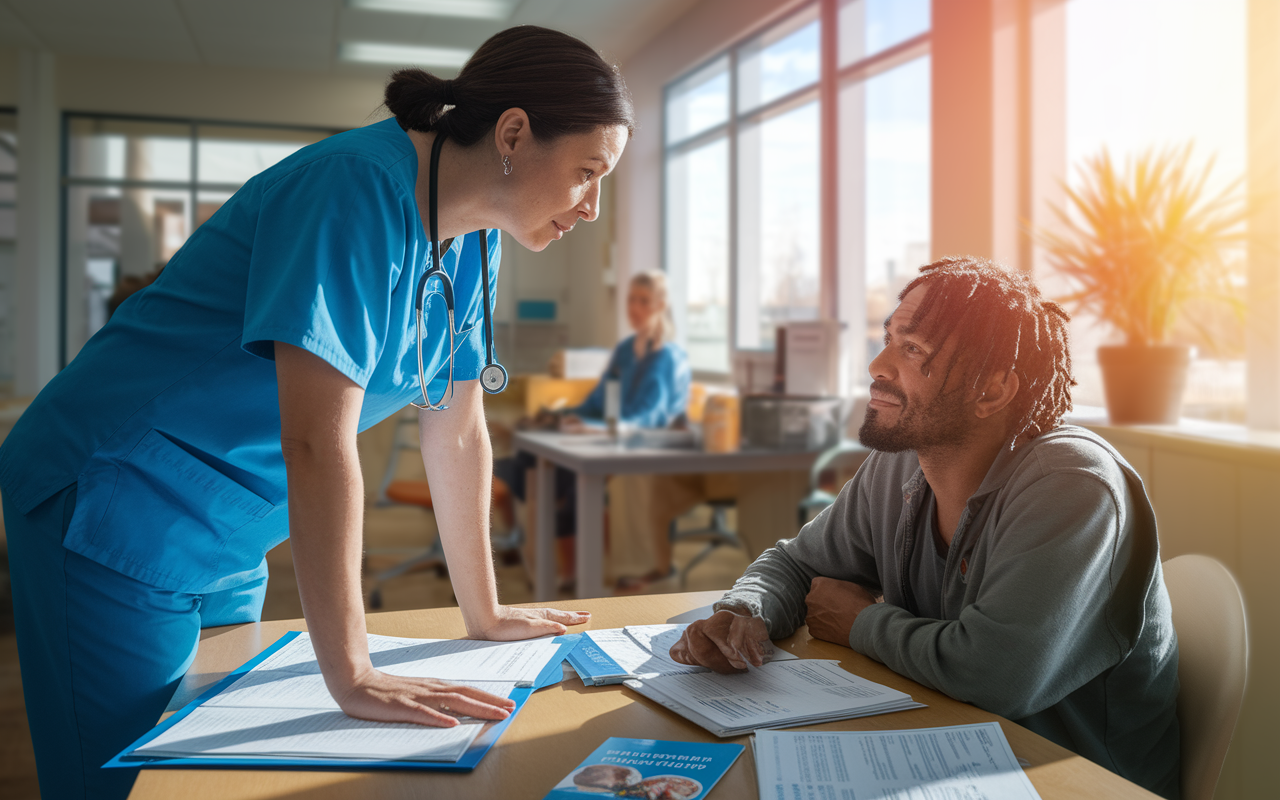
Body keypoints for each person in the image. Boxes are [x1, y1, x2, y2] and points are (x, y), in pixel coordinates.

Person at [0, 26, 632, 800]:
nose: (593, 207)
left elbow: (458, 428)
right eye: (587, 173)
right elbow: (314, 437)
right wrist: (354, 671)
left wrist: (487, 615)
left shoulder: (475, 239)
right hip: (113, 503)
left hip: (235, 528)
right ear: (513, 133)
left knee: (212, 775)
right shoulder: (352, 188)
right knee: (126, 783)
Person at [670, 257, 1182, 799]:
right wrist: (745, 610)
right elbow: (798, 563)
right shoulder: (903, 461)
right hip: (941, 751)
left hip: (1071, 780)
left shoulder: (1072, 484)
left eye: (913, 350)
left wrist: (860, 623)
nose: (877, 364)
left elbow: (995, 676)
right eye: (889, 339)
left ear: (992, 392)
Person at [496, 270, 690, 584]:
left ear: (661, 305)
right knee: (533, 465)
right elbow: (597, 400)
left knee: (572, 481)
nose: (634, 308)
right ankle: (557, 567)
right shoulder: (626, 350)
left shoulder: (668, 356)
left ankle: (584, 572)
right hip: (608, 442)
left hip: (646, 451)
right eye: (631, 300)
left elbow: (651, 417)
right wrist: (563, 417)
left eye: (643, 301)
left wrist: (598, 431)